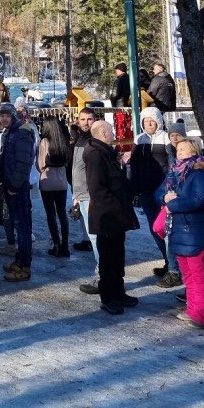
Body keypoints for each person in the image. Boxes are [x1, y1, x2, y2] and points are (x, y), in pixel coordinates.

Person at [155, 137, 204, 327]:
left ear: (194, 151)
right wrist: (164, 197)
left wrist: (172, 204)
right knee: (188, 275)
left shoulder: (199, 173)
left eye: (184, 149)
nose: (179, 152)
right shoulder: (174, 172)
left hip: (194, 230)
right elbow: (157, 193)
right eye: (178, 149)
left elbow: (199, 198)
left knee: (199, 275)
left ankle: (202, 315)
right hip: (178, 229)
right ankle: (193, 308)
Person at [85, 120, 140, 314]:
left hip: (116, 214)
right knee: (108, 259)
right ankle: (109, 297)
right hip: (107, 216)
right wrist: (116, 207)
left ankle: (119, 292)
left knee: (118, 256)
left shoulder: (105, 152)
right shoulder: (95, 155)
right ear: (102, 133)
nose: (114, 134)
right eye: (110, 131)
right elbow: (97, 188)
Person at [131, 106, 175, 285]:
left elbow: (172, 163)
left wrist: (171, 186)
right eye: (145, 121)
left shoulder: (165, 138)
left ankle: (174, 266)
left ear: (158, 121)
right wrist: (134, 187)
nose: (149, 124)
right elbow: (133, 166)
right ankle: (167, 260)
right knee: (154, 228)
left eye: (152, 120)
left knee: (166, 228)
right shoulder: (139, 139)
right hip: (145, 190)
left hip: (163, 190)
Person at [0, 102, 36, 281]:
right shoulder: (10, 133)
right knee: (19, 226)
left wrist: (14, 186)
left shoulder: (21, 134)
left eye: (7, 115)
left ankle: (25, 265)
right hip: (11, 186)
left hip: (17, 188)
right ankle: (20, 260)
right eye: (1, 115)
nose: (4, 118)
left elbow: (23, 164)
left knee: (23, 228)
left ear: (13, 116)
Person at [70, 108, 102, 295]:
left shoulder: (96, 142)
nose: (86, 122)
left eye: (89, 119)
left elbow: (94, 174)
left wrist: (91, 196)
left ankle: (101, 276)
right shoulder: (78, 140)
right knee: (93, 237)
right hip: (81, 195)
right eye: (82, 119)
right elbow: (77, 170)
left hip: (91, 197)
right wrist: (76, 194)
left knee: (97, 238)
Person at [37, 116, 72, 258]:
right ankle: (65, 246)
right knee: (62, 213)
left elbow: (40, 164)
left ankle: (56, 244)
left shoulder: (45, 141)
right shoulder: (63, 141)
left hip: (47, 181)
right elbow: (67, 161)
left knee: (51, 214)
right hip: (61, 181)